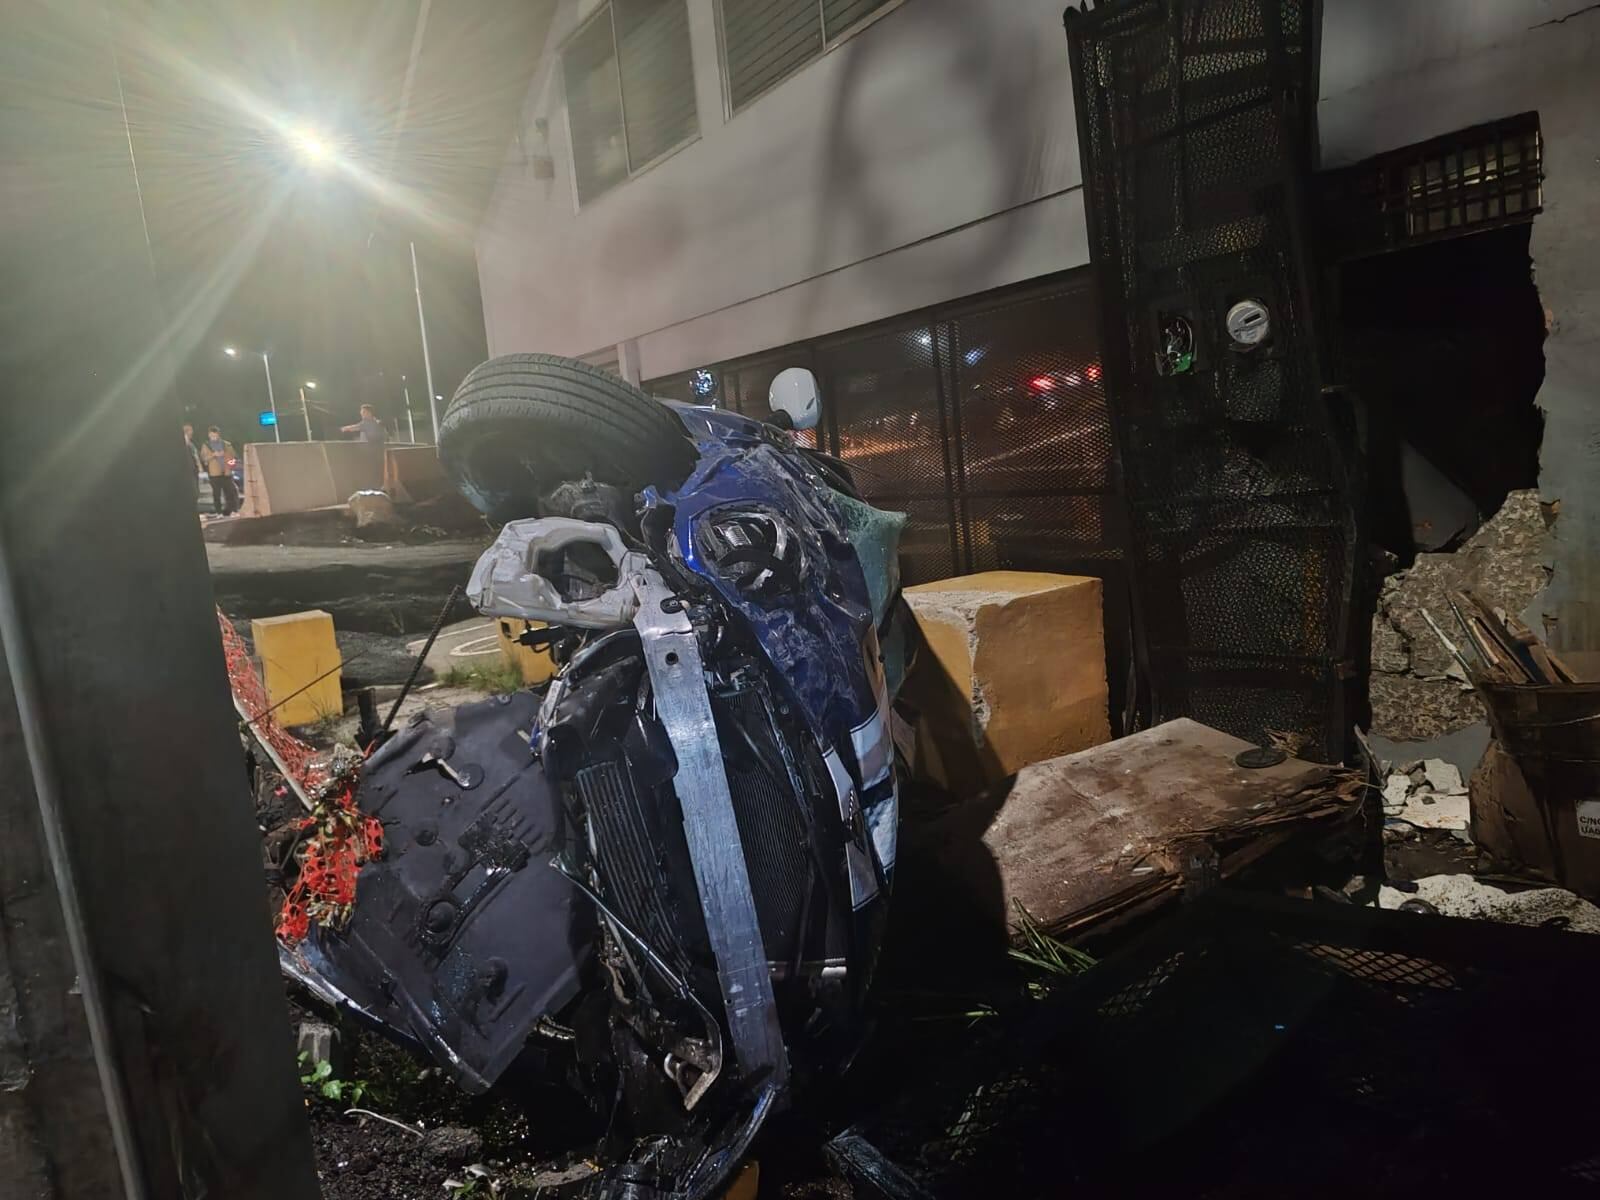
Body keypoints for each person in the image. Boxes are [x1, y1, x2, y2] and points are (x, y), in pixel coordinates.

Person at [198, 425, 240, 515]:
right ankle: (219, 512)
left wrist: (230, 467)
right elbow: (204, 459)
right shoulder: (206, 446)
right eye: (212, 436)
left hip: (227, 473)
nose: (214, 437)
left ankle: (232, 510)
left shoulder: (227, 444)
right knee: (216, 494)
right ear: (209, 435)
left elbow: (233, 457)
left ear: (218, 434)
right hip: (214, 474)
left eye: (215, 435)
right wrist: (213, 455)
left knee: (230, 492)